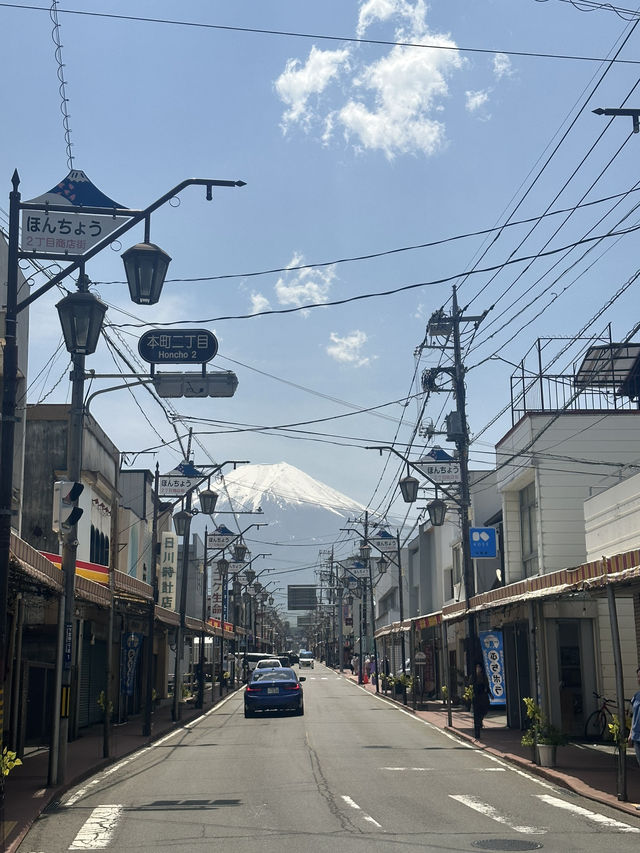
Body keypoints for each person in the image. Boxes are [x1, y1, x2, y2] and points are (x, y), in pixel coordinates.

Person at [471, 661, 491, 740]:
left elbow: (487, 686)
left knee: (484, 710)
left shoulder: (484, 676)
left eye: (479, 667)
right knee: (476, 713)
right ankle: (477, 731)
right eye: (477, 667)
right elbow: (470, 685)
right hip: (476, 697)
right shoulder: (473, 677)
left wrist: (490, 694)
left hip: (483, 696)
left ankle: (480, 720)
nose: (478, 669)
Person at [628, 665, 640, 769]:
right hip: (637, 737)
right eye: (638, 677)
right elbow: (634, 716)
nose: (639, 679)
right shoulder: (636, 696)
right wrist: (631, 734)